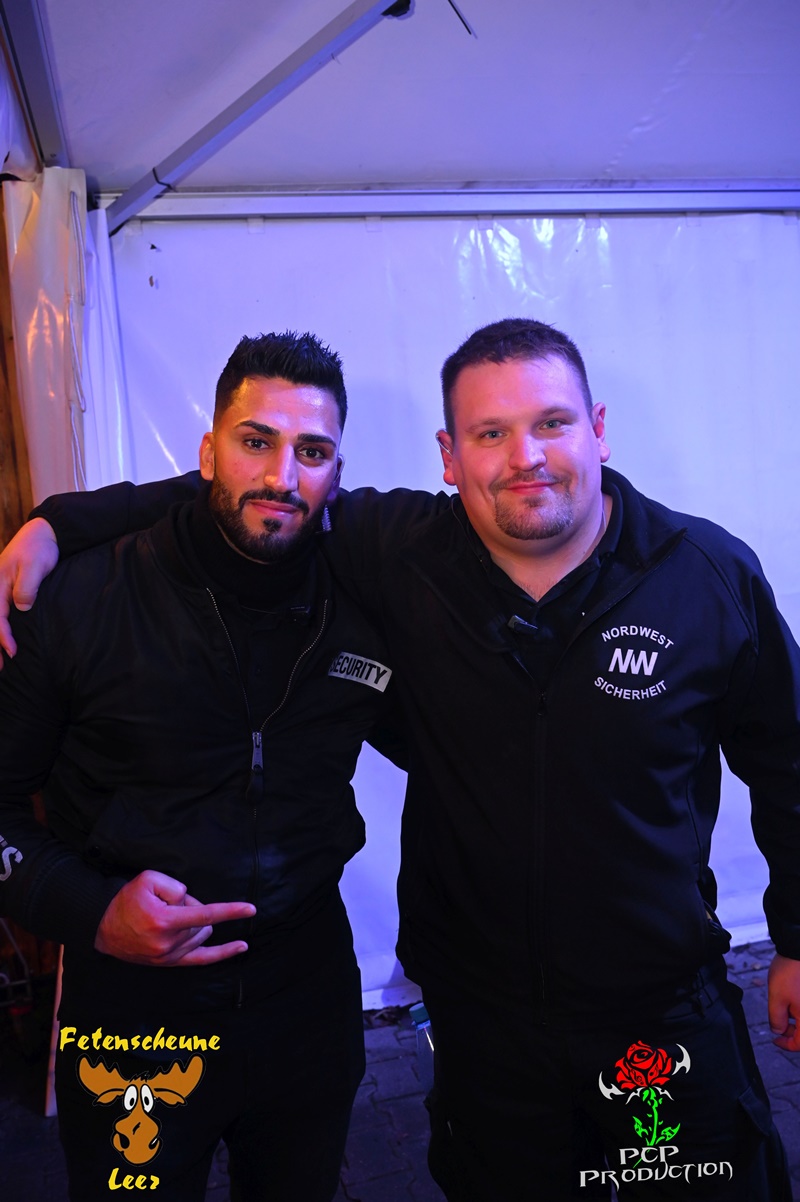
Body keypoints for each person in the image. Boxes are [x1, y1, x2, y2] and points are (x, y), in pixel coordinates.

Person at [2, 317, 800, 1200]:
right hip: (439, 1023)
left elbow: (789, 764)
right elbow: (250, 495)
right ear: (450, 456)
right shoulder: (398, 555)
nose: (526, 457)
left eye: (552, 423)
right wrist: (59, 522)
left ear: (598, 428)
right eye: (491, 433)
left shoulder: (702, 575)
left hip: (647, 1004)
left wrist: (798, 940)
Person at [0, 331, 396, 1202]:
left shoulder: (365, 596)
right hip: (134, 1002)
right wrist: (91, 910)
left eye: (312, 452)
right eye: (256, 441)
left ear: (336, 470)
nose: (282, 476)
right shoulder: (83, 598)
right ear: (208, 452)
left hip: (308, 995)